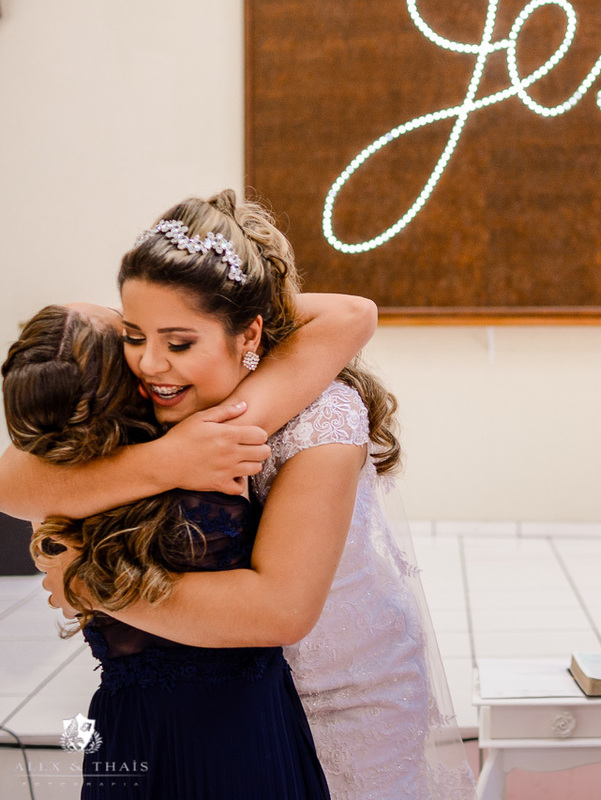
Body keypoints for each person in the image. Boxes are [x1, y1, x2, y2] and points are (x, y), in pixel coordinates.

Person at [30, 191, 475, 800]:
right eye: (135, 333)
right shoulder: (151, 383)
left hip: (343, 697)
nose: (151, 362)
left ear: (251, 330)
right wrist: (163, 461)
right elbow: (13, 478)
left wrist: (91, 583)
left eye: (180, 342)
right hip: (223, 699)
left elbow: (281, 611)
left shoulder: (324, 418)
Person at [3, 303, 333, 799]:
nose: (152, 350)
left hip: (130, 729)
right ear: (133, 380)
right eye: (131, 333)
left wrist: (92, 583)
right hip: (239, 734)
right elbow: (352, 314)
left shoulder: (61, 475)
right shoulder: (210, 441)